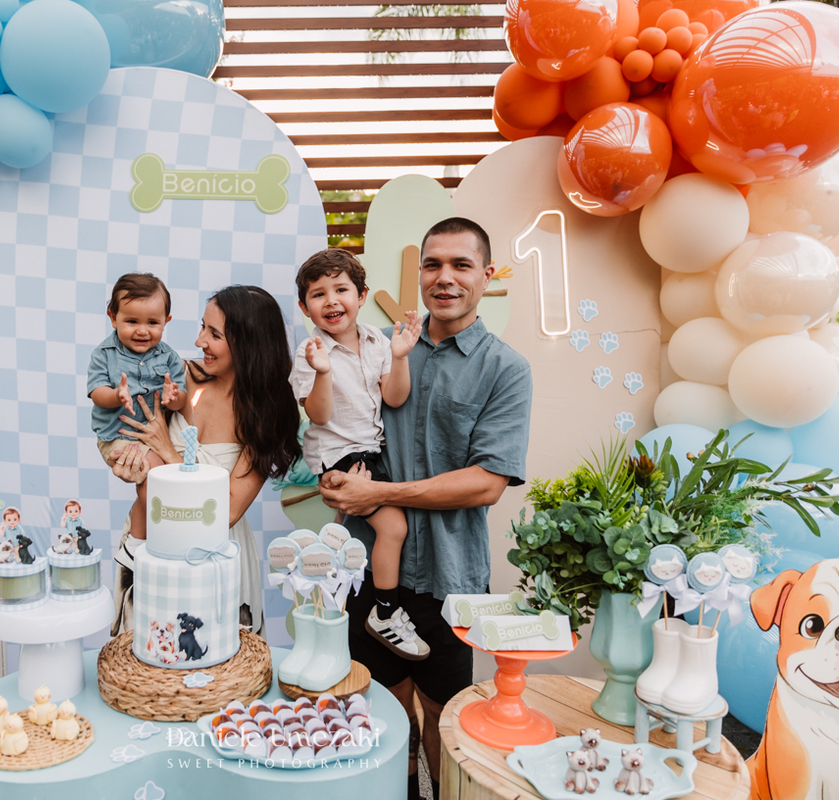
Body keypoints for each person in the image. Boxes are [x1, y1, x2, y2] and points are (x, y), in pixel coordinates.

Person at [320, 217, 532, 800]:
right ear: (419, 274)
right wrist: (335, 477)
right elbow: (331, 420)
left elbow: (487, 483)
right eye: (433, 265)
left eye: (461, 265)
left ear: (486, 276)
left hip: (447, 576)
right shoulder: (376, 349)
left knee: (443, 718)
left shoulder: (505, 369)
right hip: (368, 570)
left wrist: (379, 494)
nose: (445, 278)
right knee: (382, 717)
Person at [108, 285, 302, 638]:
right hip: (153, 540)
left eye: (214, 334)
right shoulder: (178, 378)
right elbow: (130, 434)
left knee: (213, 664)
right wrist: (126, 460)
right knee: (144, 660)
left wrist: (169, 451)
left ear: (248, 343)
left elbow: (226, 510)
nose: (199, 342)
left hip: (215, 558)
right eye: (202, 328)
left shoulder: (267, 416)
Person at [290, 249, 429, 659]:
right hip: (340, 456)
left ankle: (344, 604)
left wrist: (400, 356)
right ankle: (385, 612)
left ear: (362, 294)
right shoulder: (310, 352)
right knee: (393, 528)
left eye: (341, 289)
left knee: (360, 535)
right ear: (305, 307)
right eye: (318, 294)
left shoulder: (377, 341)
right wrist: (322, 371)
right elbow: (319, 414)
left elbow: (395, 397)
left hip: (372, 453)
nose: (331, 300)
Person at [88, 274, 187, 553]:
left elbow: (182, 399)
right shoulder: (104, 355)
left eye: (152, 323)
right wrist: (115, 395)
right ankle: (153, 543)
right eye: (132, 321)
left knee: (155, 479)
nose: (142, 331)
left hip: (153, 438)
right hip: (118, 436)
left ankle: (137, 544)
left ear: (166, 321)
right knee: (156, 476)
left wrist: (173, 397)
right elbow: (97, 392)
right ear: (113, 317)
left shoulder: (169, 358)